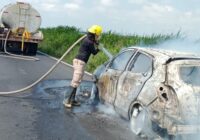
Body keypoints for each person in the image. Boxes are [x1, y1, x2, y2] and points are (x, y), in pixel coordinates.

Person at [63, 25, 103, 108]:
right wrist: (99, 49)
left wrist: (96, 43)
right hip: (80, 62)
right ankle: (67, 100)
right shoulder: (89, 42)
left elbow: (93, 43)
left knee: (77, 81)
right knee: (75, 82)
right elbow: (94, 52)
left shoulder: (88, 40)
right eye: (98, 35)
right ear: (94, 34)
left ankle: (72, 100)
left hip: (80, 62)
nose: (98, 37)